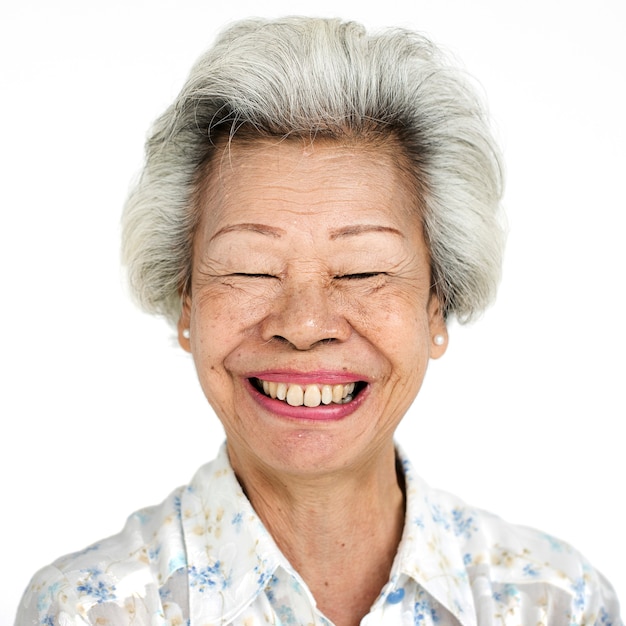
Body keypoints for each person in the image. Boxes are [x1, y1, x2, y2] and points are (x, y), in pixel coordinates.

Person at [15, 16, 622, 626]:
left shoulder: (556, 601)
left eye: (361, 272)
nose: (303, 325)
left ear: (437, 305)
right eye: (252, 270)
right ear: (187, 306)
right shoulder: (92, 609)